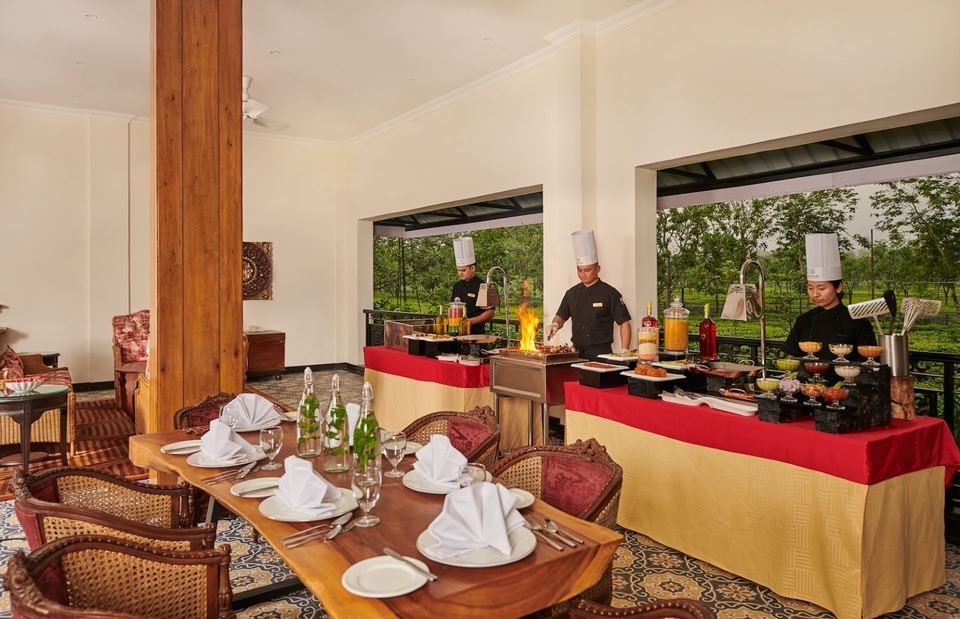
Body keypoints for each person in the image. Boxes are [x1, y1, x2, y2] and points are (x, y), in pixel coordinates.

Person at [783, 233, 877, 361]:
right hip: (807, 374)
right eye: (810, 288)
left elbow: (870, 362)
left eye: (821, 288)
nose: (815, 294)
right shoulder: (804, 320)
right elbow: (791, 358)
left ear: (838, 287)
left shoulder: (858, 322)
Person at [545, 230, 632, 361]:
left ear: (598, 269)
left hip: (601, 354)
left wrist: (625, 351)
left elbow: (624, 323)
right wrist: (555, 325)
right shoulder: (571, 293)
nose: (582, 274)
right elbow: (561, 316)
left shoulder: (609, 293)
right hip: (576, 354)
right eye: (579, 270)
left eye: (587, 270)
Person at [451, 237, 495, 331]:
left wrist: (470, 322)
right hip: (457, 331)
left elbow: (490, 313)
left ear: (472, 268)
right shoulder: (457, 286)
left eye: (463, 270)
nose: (460, 273)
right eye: (458, 270)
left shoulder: (483, 286)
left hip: (476, 332)